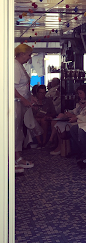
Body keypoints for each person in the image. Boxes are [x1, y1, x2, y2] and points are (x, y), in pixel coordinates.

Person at [48, 84, 86, 155]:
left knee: (60, 125)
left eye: (81, 93)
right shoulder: (80, 102)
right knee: (58, 123)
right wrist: (68, 113)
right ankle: (58, 145)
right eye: (78, 93)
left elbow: (84, 115)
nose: (79, 95)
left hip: (81, 123)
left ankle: (56, 143)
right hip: (77, 120)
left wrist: (74, 115)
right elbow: (75, 111)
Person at [14, 44, 35, 172]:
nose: (29, 57)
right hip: (15, 102)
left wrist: (29, 97)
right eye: (28, 54)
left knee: (19, 131)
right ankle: (15, 159)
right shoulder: (15, 66)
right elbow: (12, 87)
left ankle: (17, 157)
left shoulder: (19, 66)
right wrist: (23, 99)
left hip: (20, 102)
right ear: (22, 54)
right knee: (15, 131)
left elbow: (23, 87)